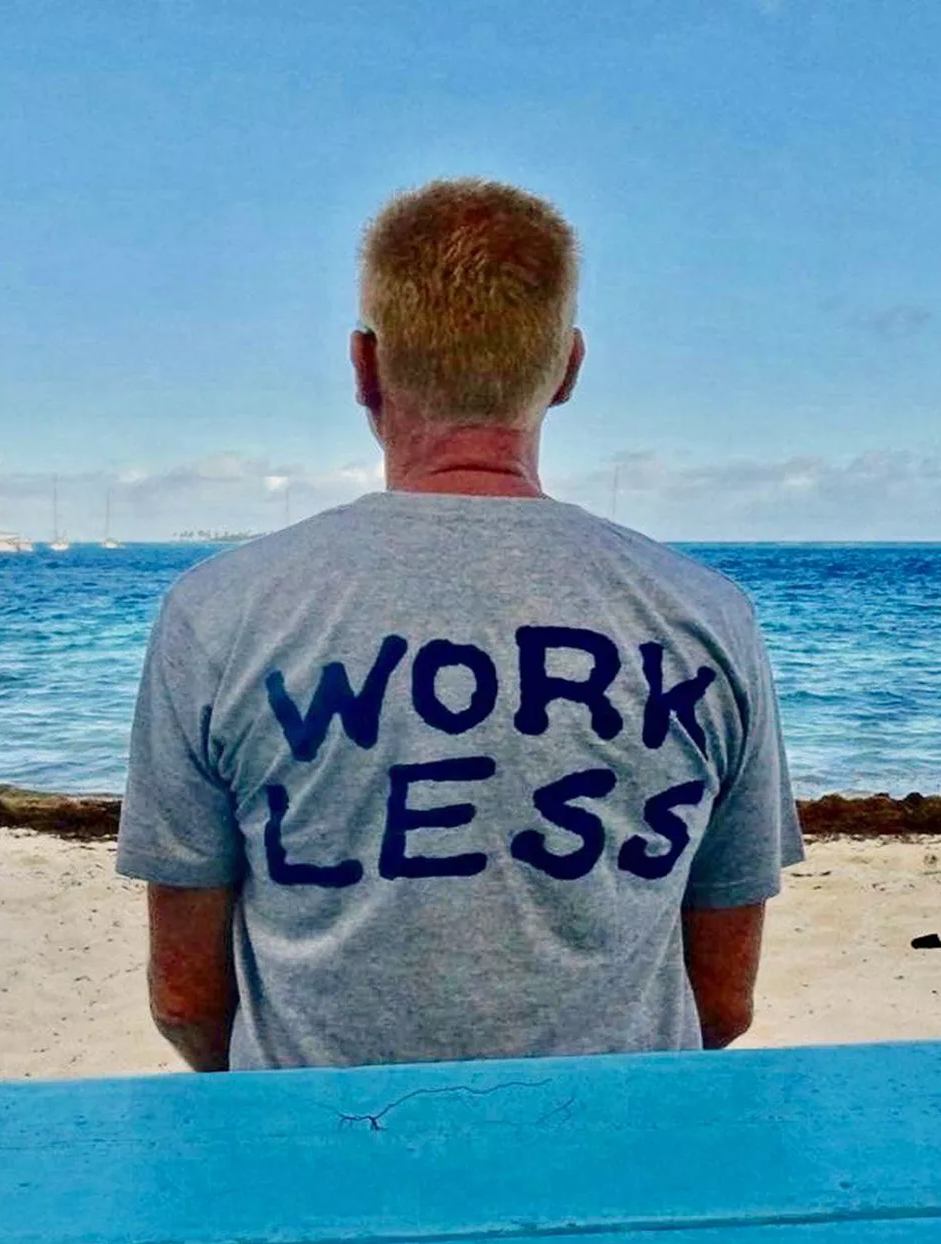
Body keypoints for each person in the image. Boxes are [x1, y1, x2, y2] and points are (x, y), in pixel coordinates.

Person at [118, 178, 805, 1071]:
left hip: (316, 1144)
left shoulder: (218, 613)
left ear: (363, 365)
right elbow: (724, 998)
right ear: (568, 368)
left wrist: (277, 1110)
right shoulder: (706, 618)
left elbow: (185, 996)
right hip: (619, 1143)